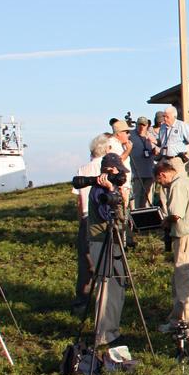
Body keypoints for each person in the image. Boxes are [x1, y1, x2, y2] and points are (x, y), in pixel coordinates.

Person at [154, 159, 189, 342]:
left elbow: (176, 214)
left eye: (159, 181)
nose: (160, 185)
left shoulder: (177, 186)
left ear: (162, 175)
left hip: (187, 238)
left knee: (187, 281)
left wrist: (165, 221)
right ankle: (177, 320)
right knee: (179, 280)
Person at [87, 152, 131, 347]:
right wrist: (111, 189)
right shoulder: (99, 190)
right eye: (117, 172)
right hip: (102, 241)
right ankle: (104, 335)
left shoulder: (112, 188)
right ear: (107, 171)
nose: (120, 177)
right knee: (107, 289)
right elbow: (108, 214)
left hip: (113, 241)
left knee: (116, 289)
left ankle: (111, 330)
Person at [70, 134, 111, 312]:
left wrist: (81, 219)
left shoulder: (83, 169)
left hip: (87, 215)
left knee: (85, 259)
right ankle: (106, 299)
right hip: (105, 216)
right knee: (106, 257)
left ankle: (83, 299)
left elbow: (80, 199)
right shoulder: (110, 169)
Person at [156, 105, 189, 170]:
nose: (165, 119)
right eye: (164, 116)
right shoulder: (162, 127)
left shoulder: (181, 125)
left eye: (167, 117)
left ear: (174, 117)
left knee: (178, 179)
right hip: (164, 159)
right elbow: (161, 142)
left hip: (177, 160)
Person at [129, 117, 157, 208]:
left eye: (143, 125)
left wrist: (155, 149)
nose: (141, 127)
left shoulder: (150, 136)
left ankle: (148, 218)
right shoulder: (130, 135)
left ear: (147, 126)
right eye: (139, 124)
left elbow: (158, 149)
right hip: (136, 173)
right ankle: (136, 217)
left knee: (148, 199)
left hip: (149, 172)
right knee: (136, 198)